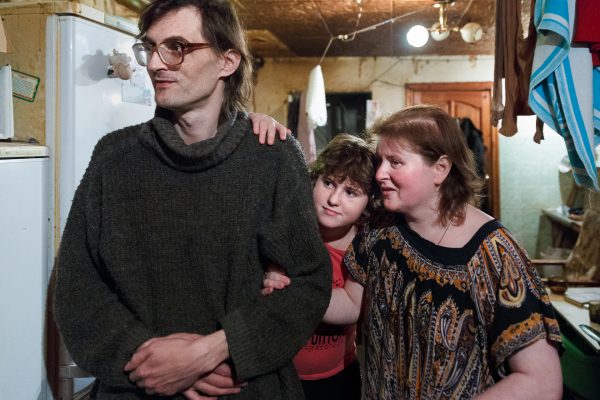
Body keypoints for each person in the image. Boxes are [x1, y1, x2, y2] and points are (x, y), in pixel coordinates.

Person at [52, 0, 332, 399]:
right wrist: (152, 361)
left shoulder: (272, 157)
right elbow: (78, 289)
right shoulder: (114, 158)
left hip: (243, 388)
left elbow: (309, 283)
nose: (155, 64)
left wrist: (213, 351)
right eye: (151, 47)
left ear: (226, 62)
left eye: (177, 47)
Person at [265, 105, 563, 399]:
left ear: (440, 168)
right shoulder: (380, 230)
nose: (379, 173)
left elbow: (541, 382)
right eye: (380, 160)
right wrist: (289, 290)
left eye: (395, 162)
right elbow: (351, 303)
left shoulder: (494, 253)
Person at [263, 134, 377, 400]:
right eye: (329, 183)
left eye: (351, 192)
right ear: (314, 179)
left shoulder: (363, 245)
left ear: (369, 202)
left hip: (336, 379)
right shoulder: (290, 227)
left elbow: (353, 307)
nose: (334, 199)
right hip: (278, 374)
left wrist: (290, 292)